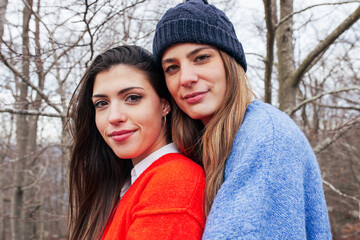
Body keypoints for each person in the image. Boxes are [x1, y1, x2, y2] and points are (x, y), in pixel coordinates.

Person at [152, 0, 332, 239]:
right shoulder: (198, 145)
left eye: (201, 57)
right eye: (172, 68)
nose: (186, 77)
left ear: (230, 63)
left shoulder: (266, 136)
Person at [67, 46, 205, 240]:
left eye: (133, 98)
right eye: (102, 103)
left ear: (164, 105)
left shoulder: (174, 180)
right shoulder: (124, 185)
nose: (114, 117)